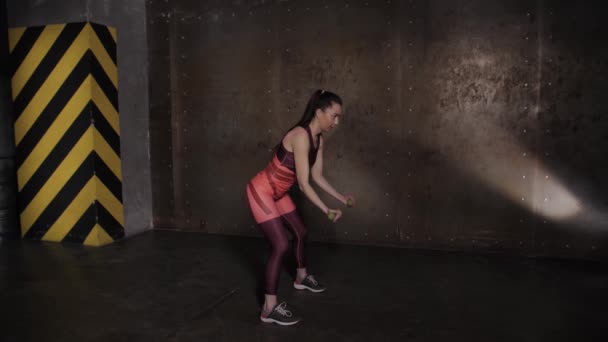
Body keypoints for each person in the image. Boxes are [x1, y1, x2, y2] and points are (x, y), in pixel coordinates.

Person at [245, 89, 355, 326]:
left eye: (339, 117)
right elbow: (304, 185)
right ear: (319, 111)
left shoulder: (318, 140)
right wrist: (326, 210)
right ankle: (269, 308)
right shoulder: (300, 136)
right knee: (281, 244)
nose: (336, 122)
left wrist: (340, 197)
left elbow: (317, 177)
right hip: (261, 191)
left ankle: (301, 277)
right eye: (334, 115)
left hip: (279, 193)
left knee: (301, 233)